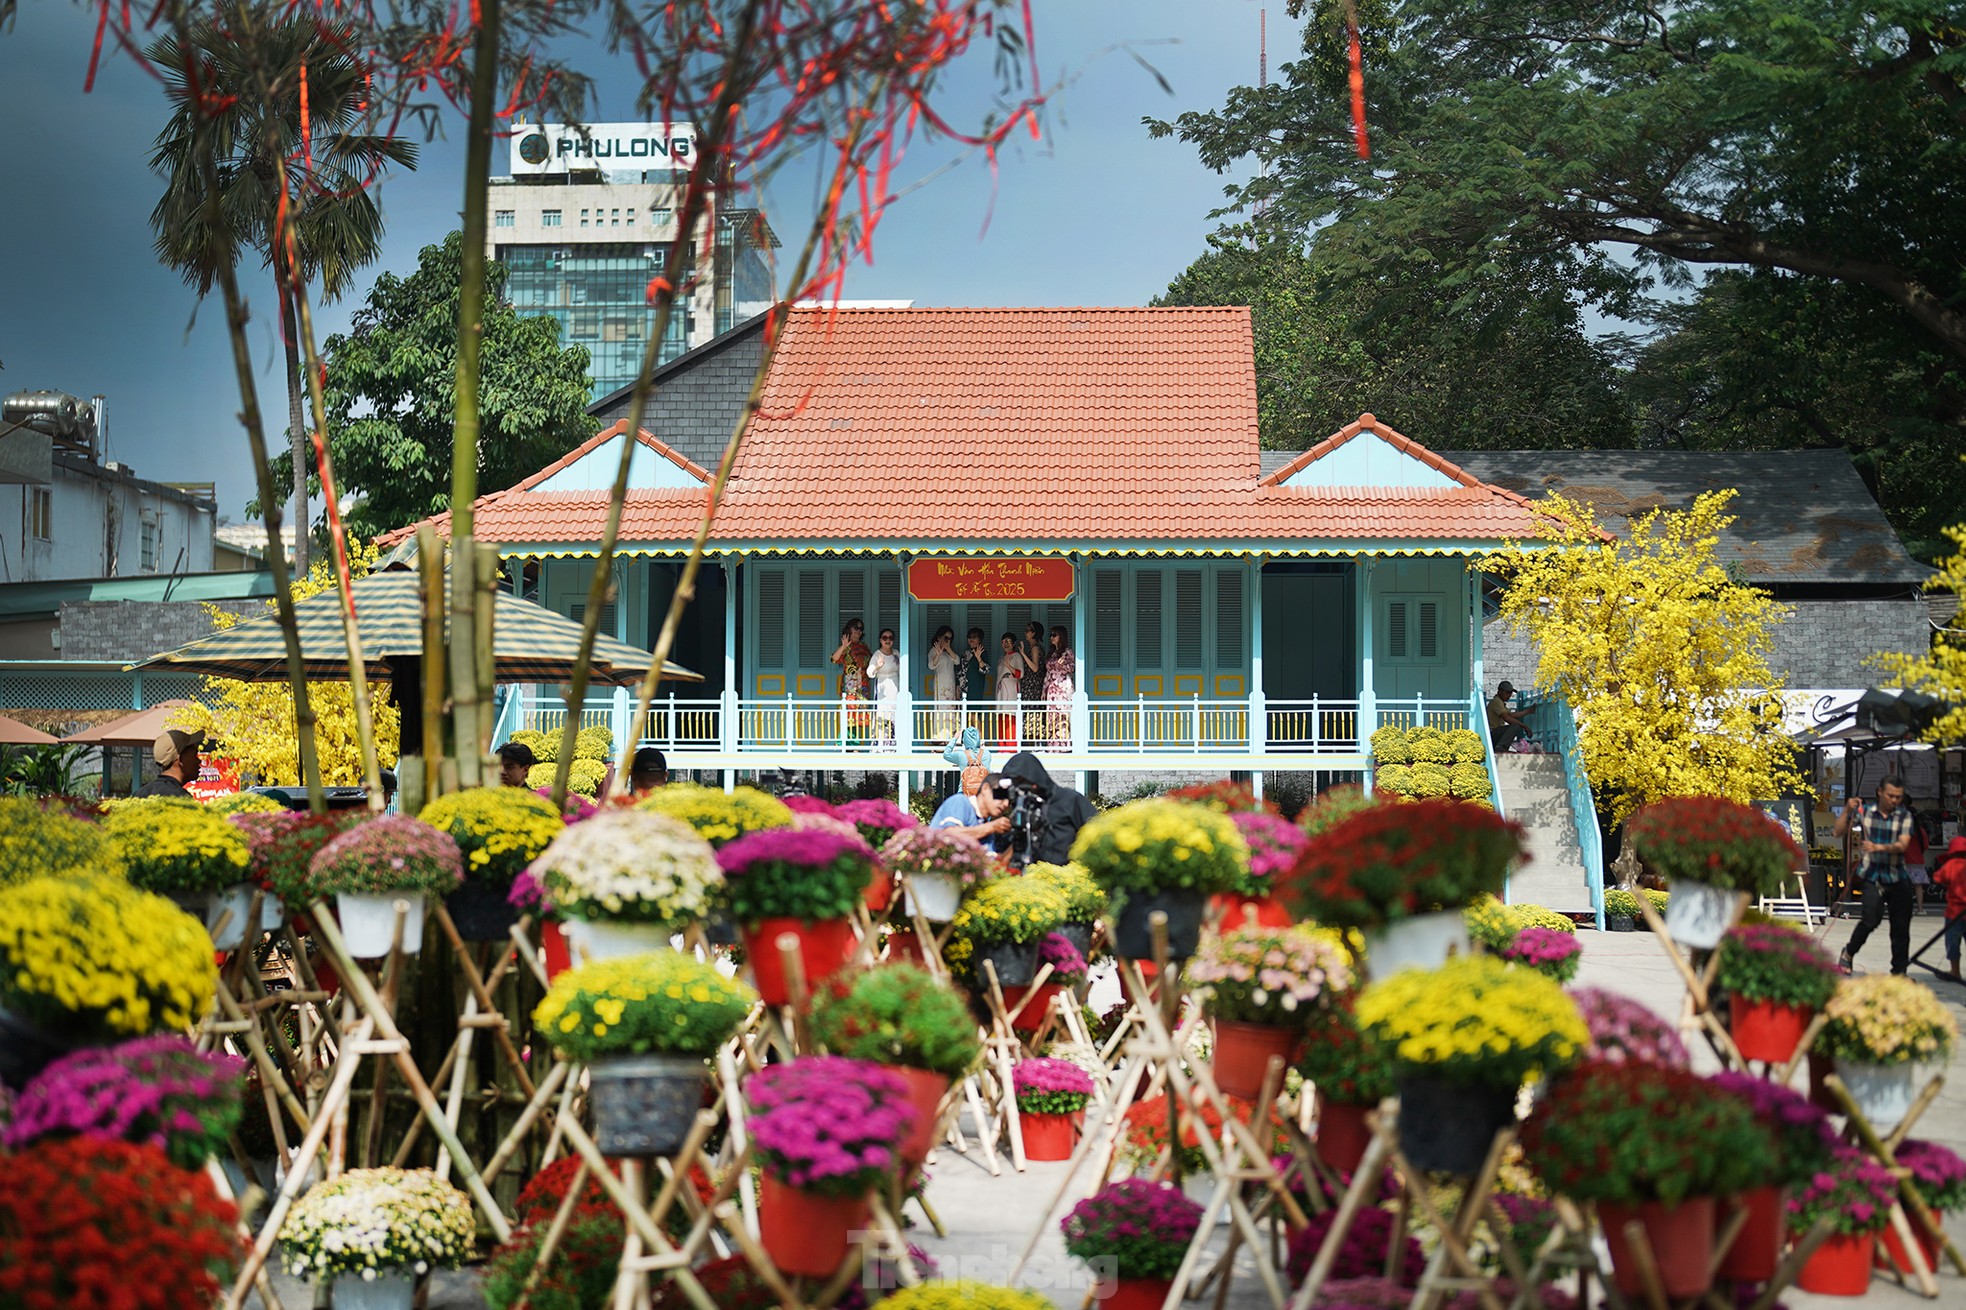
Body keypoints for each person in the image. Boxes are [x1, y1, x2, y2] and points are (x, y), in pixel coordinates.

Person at [1836, 776, 1916, 975]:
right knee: (1871, 920)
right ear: (1880, 792)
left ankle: (1899, 972)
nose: (1894, 800)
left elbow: (1903, 845)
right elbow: (1837, 832)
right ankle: (1848, 952)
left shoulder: (1904, 816)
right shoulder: (1866, 813)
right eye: (1891, 796)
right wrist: (1847, 810)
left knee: (1901, 927)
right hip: (1872, 876)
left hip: (1897, 876)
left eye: (1898, 797)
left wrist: (1878, 847)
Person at [995, 750, 1094, 867]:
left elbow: (1095, 832)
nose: (1020, 789)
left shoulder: (1070, 799)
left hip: (1067, 874)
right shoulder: (1023, 806)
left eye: (1022, 782)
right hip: (1031, 875)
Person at [930, 770, 1011, 853]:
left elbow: (992, 863)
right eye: (1002, 795)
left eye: (1010, 800)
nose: (1006, 803)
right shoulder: (960, 801)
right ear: (985, 788)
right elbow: (949, 835)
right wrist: (991, 827)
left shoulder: (987, 829)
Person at [831, 618, 872, 745]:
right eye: (856, 628)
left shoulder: (864, 646)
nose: (859, 631)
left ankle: (851, 743)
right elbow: (834, 659)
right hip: (850, 684)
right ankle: (844, 743)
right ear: (849, 629)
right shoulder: (846, 646)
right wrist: (843, 647)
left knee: (858, 715)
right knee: (849, 714)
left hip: (863, 684)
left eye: (861, 629)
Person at [137, 728, 204, 798]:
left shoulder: (139, 794)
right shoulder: (180, 799)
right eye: (195, 755)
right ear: (180, 760)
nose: (199, 761)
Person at [867, 627, 901, 746]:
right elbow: (870, 672)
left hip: (895, 687)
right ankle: (881, 746)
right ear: (880, 640)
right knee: (883, 715)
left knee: (895, 715)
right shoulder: (877, 654)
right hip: (883, 688)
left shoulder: (896, 653)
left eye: (890, 638)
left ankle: (894, 746)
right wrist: (878, 667)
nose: (888, 640)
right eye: (885, 638)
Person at [1043, 625, 1076, 746]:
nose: (1052, 637)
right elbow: (1048, 672)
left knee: (1062, 714)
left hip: (1062, 686)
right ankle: (1052, 745)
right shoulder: (1052, 652)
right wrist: (1044, 690)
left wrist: (1062, 665)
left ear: (1061, 636)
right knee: (1051, 716)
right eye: (1051, 635)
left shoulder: (1067, 652)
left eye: (1054, 635)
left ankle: (1063, 745)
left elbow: (1072, 668)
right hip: (1052, 687)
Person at [994, 631, 1026, 748]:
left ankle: (1011, 748)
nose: (1005, 644)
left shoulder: (1016, 656)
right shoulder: (1001, 658)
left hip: (1012, 693)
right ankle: (1002, 747)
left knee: (1010, 720)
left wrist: (1009, 667)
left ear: (1013, 643)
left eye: (1008, 641)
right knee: (1001, 720)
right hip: (1000, 694)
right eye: (1003, 641)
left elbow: (1020, 674)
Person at [926, 625, 958, 737]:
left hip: (951, 684)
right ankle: (940, 737)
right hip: (941, 685)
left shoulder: (949, 651)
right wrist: (938, 654)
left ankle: (951, 737)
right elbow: (931, 666)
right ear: (939, 637)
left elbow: (957, 661)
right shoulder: (933, 651)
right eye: (945, 638)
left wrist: (948, 648)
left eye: (949, 638)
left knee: (951, 711)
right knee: (942, 709)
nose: (947, 640)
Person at [959, 627, 991, 739]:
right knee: (964, 713)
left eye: (974, 637)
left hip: (975, 686)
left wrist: (978, 658)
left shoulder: (982, 651)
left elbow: (985, 669)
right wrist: (958, 685)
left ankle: (980, 740)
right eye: (969, 637)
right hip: (964, 688)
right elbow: (960, 671)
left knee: (973, 713)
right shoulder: (966, 653)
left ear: (980, 639)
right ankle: (968, 741)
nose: (971, 640)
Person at [1018, 621, 1047, 740]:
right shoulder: (1034, 647)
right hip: (1030, 684)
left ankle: (1035, 740)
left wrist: (1023, 654)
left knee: (1033, 712)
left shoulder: (1035, 648)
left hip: (1033, 685)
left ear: (1034, 633)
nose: (1025, 633)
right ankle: (1031, 739)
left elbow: (1035, 668)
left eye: (1028, 630)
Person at [1486, 681, 1530, 751]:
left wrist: (1528, 711)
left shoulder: (1501, 702)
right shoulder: (1496, 701)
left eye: (1510, 693)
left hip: (1495, 734)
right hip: (1492, 733)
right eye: (1507, 693)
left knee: (1515, 725)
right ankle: (1501, 747)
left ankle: (1501, 747)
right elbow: (1506, 718)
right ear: (1500, 691)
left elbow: (1511, 715)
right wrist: (1524, 726)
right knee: (1515, 726)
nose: (1509, 695)